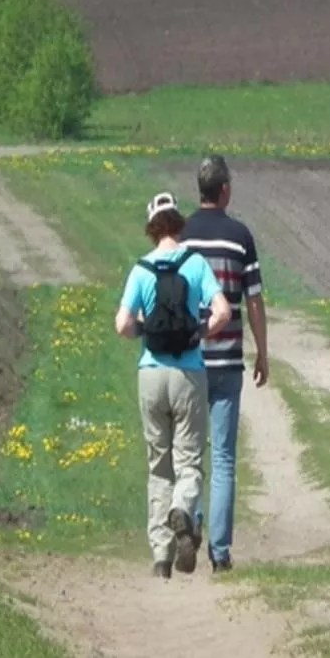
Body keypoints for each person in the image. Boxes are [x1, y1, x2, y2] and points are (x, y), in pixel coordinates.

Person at [116, 191, 232, 580]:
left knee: (158, 464)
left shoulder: (141, 269)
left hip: (150, 373)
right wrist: (200, 331)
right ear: (178, 224)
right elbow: (223, 312)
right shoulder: (195, 264)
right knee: (189, 461)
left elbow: (122, 325)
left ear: (152, 228)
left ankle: (161, 557)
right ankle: (184, 509)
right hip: (188, 374)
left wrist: (144, 331)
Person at [181, 154, 268, 573]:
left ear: (199, 191)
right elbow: (253, 300)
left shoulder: (181, 238)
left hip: (188, 361)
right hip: (229, 361)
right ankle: (220, 552)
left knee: (191, 453)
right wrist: (263, 353)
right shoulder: (240, 237)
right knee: (224, 460)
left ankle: (190, 524)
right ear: (225, 190)